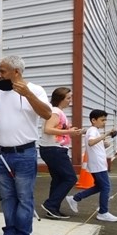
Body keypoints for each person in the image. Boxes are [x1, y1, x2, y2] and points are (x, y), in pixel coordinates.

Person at [0, 55, 52, 235]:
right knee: (7, 196)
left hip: (24, 153)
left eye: (2, 71)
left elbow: (47, 114)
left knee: (24, 196)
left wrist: (28, 94)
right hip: (1, 152)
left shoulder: (36, 90)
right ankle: (10, 231)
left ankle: (23, 234)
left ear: (16, 72)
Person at [64, 110, 117, 222]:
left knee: (99, 186)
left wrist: (103, 143)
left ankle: (75, 198)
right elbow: (91, 142)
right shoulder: (93, 130)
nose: (104, 122)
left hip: (98, 164)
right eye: (102, 120)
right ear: (93, 120)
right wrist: (107, 134)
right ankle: (103, 212)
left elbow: (93, 143)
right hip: (98, 164)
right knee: (106, 187)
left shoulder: (93, 131)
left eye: (105, 120)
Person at [38, 87, 82, 219]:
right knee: (70, 178)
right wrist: (69, 132)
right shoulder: (55, 111)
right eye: (68, 98)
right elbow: (48, 129)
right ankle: (51, 205)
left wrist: (71, 130)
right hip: (54, 150)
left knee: (58, 179)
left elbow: (56, 129)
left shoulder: (57, 111)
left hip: (52, 149)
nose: (70, 100)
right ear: (61, 99)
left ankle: (52, 209)